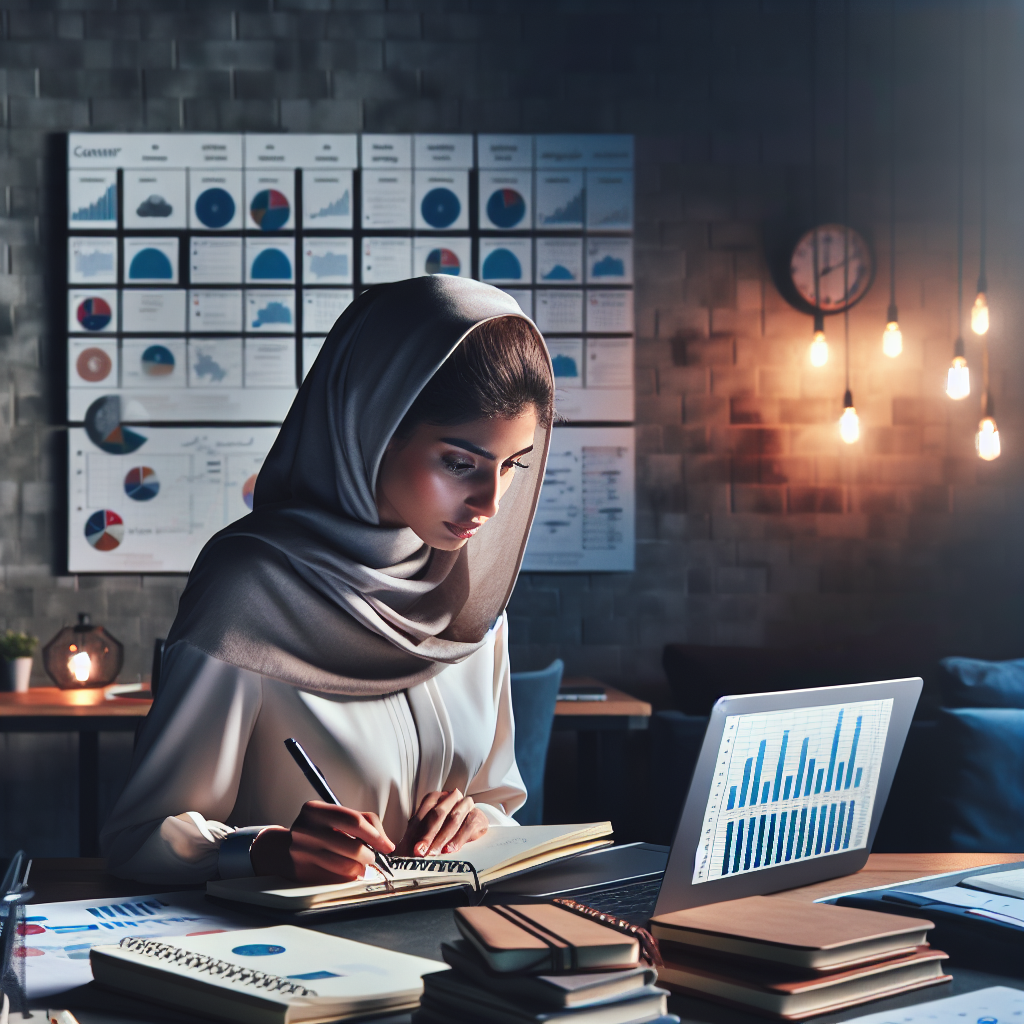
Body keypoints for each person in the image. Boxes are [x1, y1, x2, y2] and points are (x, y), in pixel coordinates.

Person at [101, 276, 554, 884]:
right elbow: (137, 841)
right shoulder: (251, 590)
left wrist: (478, 821)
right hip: (287, 962)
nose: (490, 503)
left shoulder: (469, 596)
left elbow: (501, 805)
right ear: (370, 426)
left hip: (456, 955)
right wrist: (265, 851)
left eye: (512, 466)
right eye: (459, 463)